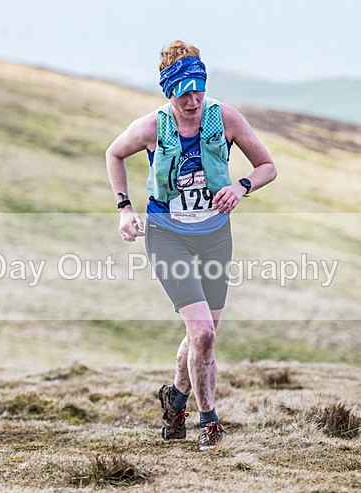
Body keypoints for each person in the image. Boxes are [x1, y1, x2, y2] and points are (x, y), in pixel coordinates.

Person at [105, 41, 277, 451]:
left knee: (204, 335)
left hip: (215, 236)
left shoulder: (226, 118)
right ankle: (210, 421)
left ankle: (176, 401)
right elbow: (113, 153)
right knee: (202, 336)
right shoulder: (151, 127)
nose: (193, 98)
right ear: (169, 91)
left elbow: (268, 166)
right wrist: (125, 209)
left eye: (198, 88)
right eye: (183, 91)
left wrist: (242, 185)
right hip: (168, 237)